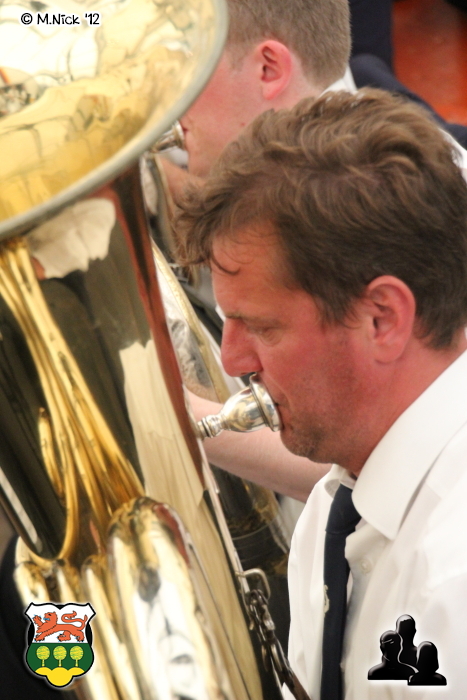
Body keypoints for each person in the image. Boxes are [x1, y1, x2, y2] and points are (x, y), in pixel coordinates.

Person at [175, 88, 467, 698]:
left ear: (381, 319)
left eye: (262, 327)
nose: (232, 360)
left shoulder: (453, 574)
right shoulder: (337, 503)